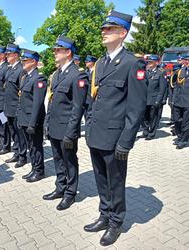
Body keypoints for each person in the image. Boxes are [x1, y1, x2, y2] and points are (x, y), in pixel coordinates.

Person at [84, 10, 147, 246]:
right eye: (104, 29)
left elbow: (136, 107)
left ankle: (116, 222)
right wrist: (89, 126)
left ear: (122, 33)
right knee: (101, 179)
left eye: (109, 29)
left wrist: (126, 142)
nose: (104, 32)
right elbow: (94, 100)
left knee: (116, 182)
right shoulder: (100, 63)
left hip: (115, 138)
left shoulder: (132, 63)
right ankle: (104, 214)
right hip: (96, 135)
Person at [43, 36, 89, 210]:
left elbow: (78, 108)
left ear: (68, 52)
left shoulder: (78, 75)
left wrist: (71, 132)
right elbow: (52, 101)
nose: (54, 53)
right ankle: (60, 187)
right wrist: (47, 124)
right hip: (55, 126)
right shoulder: (57, 75)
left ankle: (70, 193)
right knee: (57, 159)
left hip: (67, 129)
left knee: (69, 161)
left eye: (58, 50)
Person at [17, 49, 47, 182]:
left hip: (32, 120)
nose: (23, 62)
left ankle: (39, 171)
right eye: (22, 60)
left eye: (25, 60)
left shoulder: (39, 78)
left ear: (33, 62)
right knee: (30, 146)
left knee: (36, 146)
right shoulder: (26, 77)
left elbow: (37, 103)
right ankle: (34, 168)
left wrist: (32, 123)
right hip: (24, 118)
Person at [4, 44, 27, 166]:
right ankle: (16, 152)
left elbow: (21, 91)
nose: (6, 56)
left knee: (20, 134)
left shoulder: (21, 70)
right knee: (13, 133)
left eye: (9, 54)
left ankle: (22, 156)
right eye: (6, 54)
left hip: (16, 108)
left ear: (16, 55)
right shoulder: (10, 69)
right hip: (8, 107)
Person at [140, 55, 167, 140]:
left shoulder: (161, 73)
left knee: (153, 117)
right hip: (145, 99)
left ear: (156, 62)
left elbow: (162, 89)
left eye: (151, 62)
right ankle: (145, 131)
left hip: (154, 99)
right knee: (144, 117)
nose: (149, 63)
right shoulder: (146, 72)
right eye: (148, 61)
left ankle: (151, 133)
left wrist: (158, 101)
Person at [173, 54, 189, 149]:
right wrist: (173, 99)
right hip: (178, 101)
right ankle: (180, 137)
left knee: (186, 123)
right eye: (185, 60)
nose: (186, 61)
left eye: (188, 60)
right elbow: (176, 87)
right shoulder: (180, 71)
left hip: (188, 102)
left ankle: (183, 140)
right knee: (176, 120)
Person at [84, 55, 97, 123]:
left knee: (90, 116)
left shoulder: (96, 72)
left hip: (92, 97)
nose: (86, 63)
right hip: (85, 97)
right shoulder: (85, 72)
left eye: (87, 61)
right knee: (86, 116)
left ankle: (88, 133)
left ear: (92, 63)